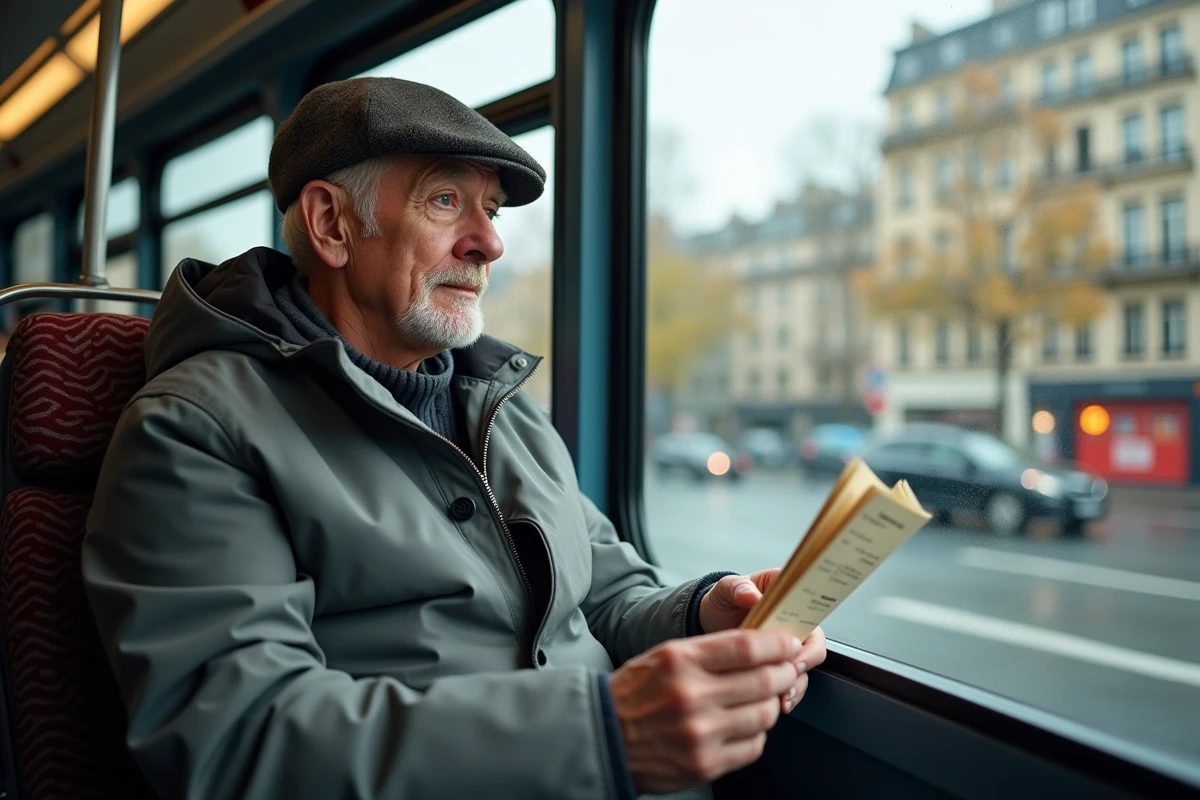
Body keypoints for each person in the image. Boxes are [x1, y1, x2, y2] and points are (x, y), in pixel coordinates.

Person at [81, 77, 826, 800]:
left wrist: (702, 610)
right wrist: (599, 735)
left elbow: (604, 589)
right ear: (333, 225)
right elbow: (238, 740)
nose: (491, 243)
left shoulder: (509, 411)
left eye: (493, 210)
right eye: (446, 201)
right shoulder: (196, 428)